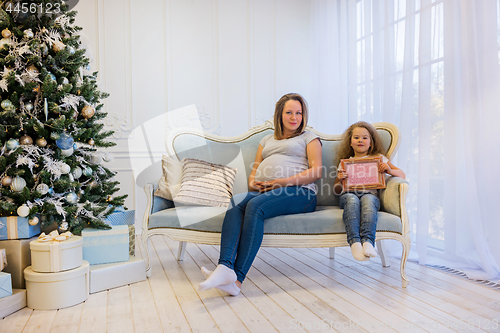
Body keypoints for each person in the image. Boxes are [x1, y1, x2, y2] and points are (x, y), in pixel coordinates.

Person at [198, 93, 322, 296]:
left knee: (255, 207)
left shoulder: (309, 138)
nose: (294, 117)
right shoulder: (266, 140)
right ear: (279, 115)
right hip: (270, 191)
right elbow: (254, 171)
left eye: (298, 113)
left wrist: (280, 182)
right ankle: (224, 267)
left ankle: (237, 280)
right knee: (237, 201)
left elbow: (316, 172)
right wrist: (253, 182)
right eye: (289, 112)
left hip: (302, 193)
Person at [333, 121, 406, 261]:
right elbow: (336, 190)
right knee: (352, 199)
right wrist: (339, 179)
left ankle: (367, 242)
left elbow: (402, 175)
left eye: (365, 138)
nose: (360, 140)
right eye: (356, 137)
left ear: (371, 142)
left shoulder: (379, 159)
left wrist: (389, 170)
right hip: (348, 194)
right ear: (350, 142)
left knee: (368, 199)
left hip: (370, 194)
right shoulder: (345, 162)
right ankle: (354, 242)